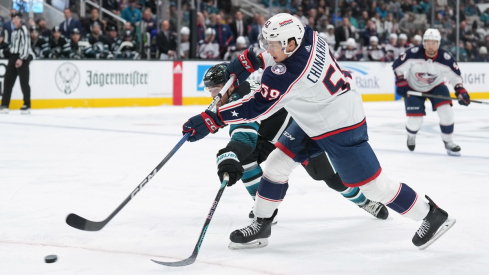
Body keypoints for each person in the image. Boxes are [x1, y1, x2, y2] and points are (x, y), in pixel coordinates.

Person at [181, 14, 455, 251]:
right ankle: (261, 225)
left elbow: (255, 108)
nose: (269, 48)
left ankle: (432, 215)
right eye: (269, 43)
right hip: (316, 114)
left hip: (340, 127)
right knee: (276, 165)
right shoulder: (308, 36)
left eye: (274, 44)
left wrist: (212, 118)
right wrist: (244, 61)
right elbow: (268, 55)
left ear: (290, 43)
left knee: (374, 186)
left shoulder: (287, 73)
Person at [204, 63, 389, 225]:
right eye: (210, 91)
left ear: (230, 86)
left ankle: (365, 201)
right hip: (270, 135)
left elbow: (244, 135)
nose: (213, 96)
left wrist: (229, 153)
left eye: (216, 89)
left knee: (330, 178)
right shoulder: (239, 90)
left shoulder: (240, 97)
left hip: (298, 133)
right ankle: (263, 208)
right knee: (245, 158)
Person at [392, 28, 470, 156]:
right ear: (423, 43)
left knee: (447, 113)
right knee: (415, 121)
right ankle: (411, 135)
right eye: (428, 43)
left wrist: (461, 91)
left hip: (436, 86)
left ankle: (448, 141)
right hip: (413, 87)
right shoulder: (413, 53)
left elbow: (455, 77)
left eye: (434, 43)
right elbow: (397, 66)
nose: (431, 46)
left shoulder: (445, 58)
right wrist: (401, 82)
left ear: (438, 44)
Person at [0, 12, 33, 114]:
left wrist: (21, 58)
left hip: (22, 57)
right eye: (14, 18)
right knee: (8, 81)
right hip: (13, 57)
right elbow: (13, 45)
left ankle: (27, 104)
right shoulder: (14, 31)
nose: (15, 20)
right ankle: (5, 104)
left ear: (21, 19)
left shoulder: (23, 30)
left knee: (24, 82)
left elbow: (26, 46)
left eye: (17, 18)